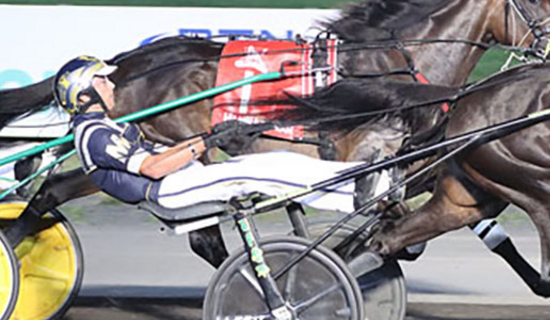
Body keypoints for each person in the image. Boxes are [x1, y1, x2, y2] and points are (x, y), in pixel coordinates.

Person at [53, 56, 387, 214]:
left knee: (276, 160)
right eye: (102, 82)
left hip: (179, 179)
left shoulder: (105, 127)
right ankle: (354, 199)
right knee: (252, 171)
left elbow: (160, 155)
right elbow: (153, 168)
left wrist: (211, 136)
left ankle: (356, 179)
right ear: (84, 96)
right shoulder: (95, 135)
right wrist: (205, 142)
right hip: (167, 191)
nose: (111, 85)